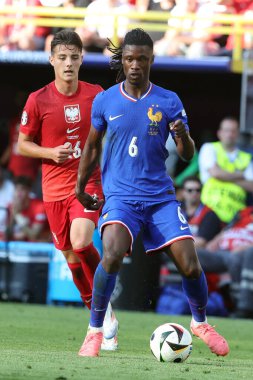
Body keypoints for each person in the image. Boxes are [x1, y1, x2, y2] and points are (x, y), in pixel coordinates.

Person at [75, 28, 229, 357]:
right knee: (112, 253)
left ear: (151, 60)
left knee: (190, 264)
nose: (134, 65)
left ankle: (199, 322)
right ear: (123, 60)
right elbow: (90, 148)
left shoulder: (168, 100)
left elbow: (186, 154)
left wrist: (183, 134)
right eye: (129, 58)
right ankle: (95, 330)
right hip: (121, 198)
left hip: (160, 198)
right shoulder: (105, 100)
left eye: (141, 59)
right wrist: (79, 187)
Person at [17, 29, 118, 353]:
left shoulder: (97, 95)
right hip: (53, 190)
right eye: (62, 57)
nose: (69, 63)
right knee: (70, 254)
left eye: (74, 57)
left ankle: (105, 309)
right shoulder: (38, 99)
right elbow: (23, 144)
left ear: (81, 59)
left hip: (88, 182)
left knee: (81, 241)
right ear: (51, 61)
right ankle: (99, 314)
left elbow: (114, 129)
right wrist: (49, 152)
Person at [199, 116, 253, 224]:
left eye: (233, 131)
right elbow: (215, 173)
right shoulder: (209, 148)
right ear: (219, 133)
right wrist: (242, 174)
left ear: (237, 134)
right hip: (210, 211)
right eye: (226, 130)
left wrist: (224, 175)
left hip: (236, 216)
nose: (230, 134)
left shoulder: (246, 157)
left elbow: (251, 186)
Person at [7, 176, 50, 242]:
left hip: (42, 246)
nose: (19, 193)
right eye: (16, 189)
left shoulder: (39, 207)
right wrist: (13, 215)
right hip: (20, 246)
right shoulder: (11, 206)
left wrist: (17, 215)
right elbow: (7, 235)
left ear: (29, 190)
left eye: (22, 189)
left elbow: (33, 235)